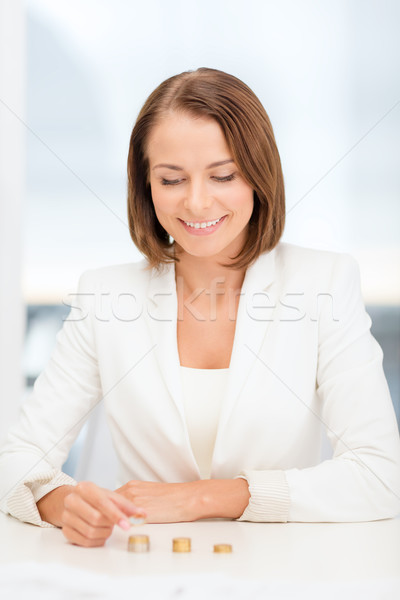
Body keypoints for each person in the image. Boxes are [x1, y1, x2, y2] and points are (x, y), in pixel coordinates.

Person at [0, 67, 399, 548]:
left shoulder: (325, 284)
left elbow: (380, 476)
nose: (196, 202)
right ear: (146, 185)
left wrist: (202, 498)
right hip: (143, 569)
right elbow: (17, 458)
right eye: (171, 179)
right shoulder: (104, 296)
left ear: (259, 174)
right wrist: (62, 503)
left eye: (223, 175)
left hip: (282, 571)